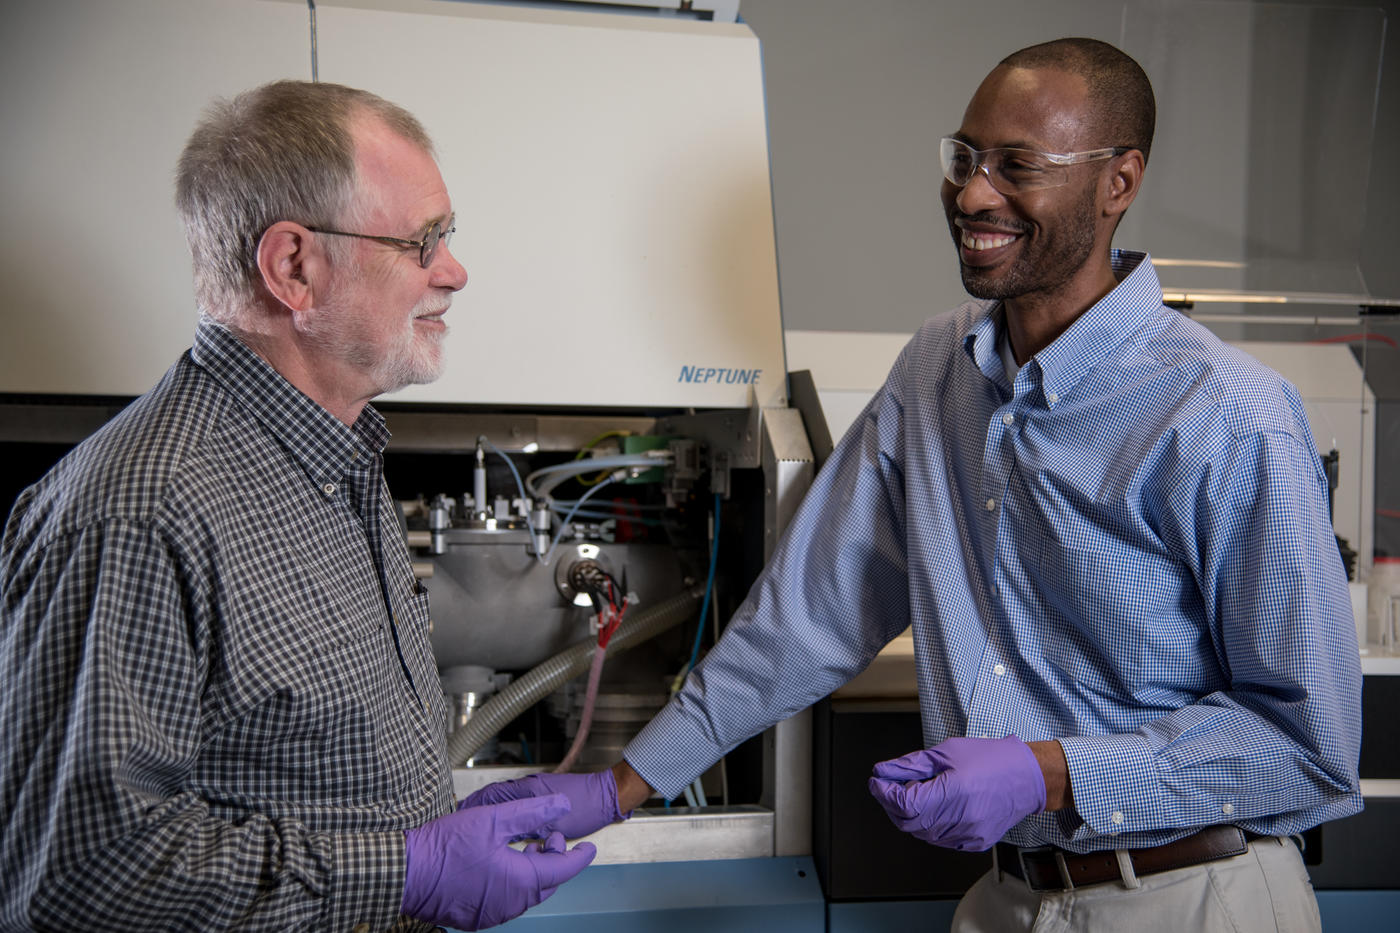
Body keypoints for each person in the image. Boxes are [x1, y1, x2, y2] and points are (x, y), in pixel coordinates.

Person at [465, 38, 1364, 931]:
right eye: (965, 157)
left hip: (1193, 899)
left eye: (1017, 165)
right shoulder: (936, 368)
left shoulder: (1227, 414)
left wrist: (1052, 771)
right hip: (1009, 897)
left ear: (1118, 183)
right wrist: (621, 785)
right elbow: (807, 616)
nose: (973, 193)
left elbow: (1309, 748)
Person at [0, 80, 594, 932]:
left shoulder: (340, 461)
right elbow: (76, 876)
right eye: (423, 241)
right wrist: (405, 870)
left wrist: (442, 817)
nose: (454, 272)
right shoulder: (139, 514)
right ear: (293, 268)